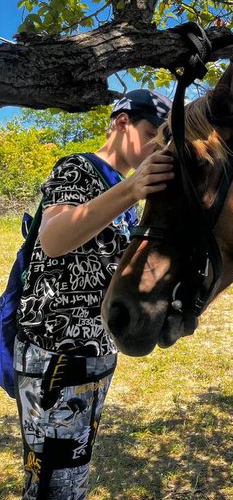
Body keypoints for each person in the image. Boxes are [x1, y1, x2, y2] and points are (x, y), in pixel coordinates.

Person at [13, 89, 175, 499]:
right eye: (152, 132)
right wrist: (133, 189)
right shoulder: (78, 169)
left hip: (95, 353)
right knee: (53, 485)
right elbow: (53, 239)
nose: (158, 145)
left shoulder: (122, 189)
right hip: (56, 356)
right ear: (122, 122)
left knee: (73, 472)